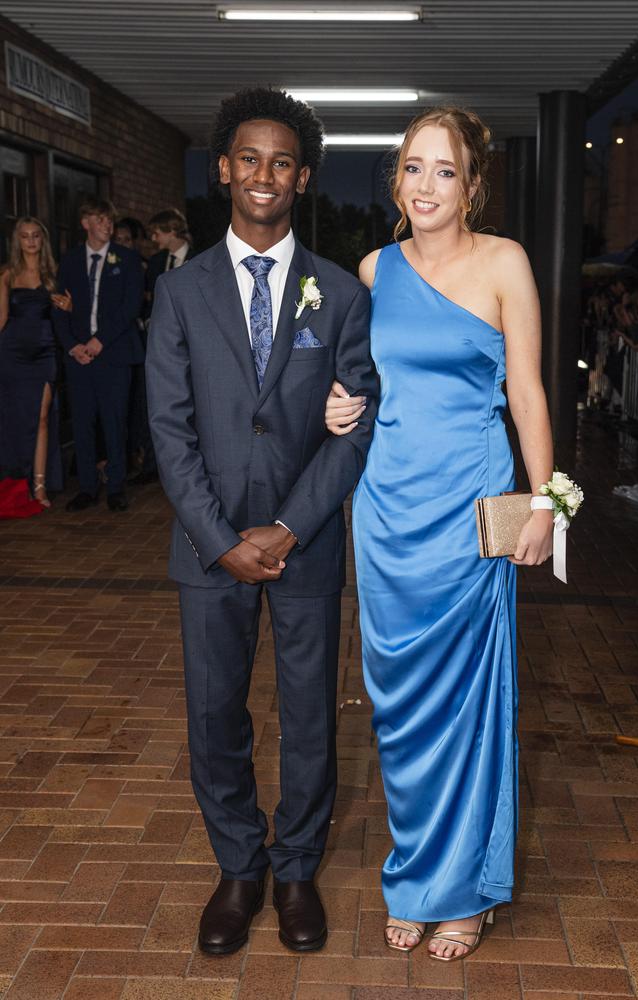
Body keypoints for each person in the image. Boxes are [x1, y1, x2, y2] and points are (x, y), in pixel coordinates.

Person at [146, 87, 378, 957]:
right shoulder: (180, 294)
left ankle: (298, 870)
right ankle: (239, 870)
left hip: (306, 541)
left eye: (282, 161)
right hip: (208, 549)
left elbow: (353, 435)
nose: (264, 175)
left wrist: (286, 527)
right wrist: (222, 539)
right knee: (216, 715)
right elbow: (168, 428)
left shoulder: (340, 299)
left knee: (310, 714)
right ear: (223, 170)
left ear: (303, 176)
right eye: (249, 158)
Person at [325, 106, 554, 961]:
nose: (426, 185)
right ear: (396, 182)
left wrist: (546, 500)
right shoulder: (373, 269)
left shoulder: (505, 263)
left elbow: (527, 391)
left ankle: (460, 889)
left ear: (472, 184)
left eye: (445, 171)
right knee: (398, 707)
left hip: (468, 506)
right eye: (414, 169)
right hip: (385, 511)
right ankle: (415, 872)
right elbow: (361, 388)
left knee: (466, 703)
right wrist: (339, 406)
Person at [53, 196, 144, 512]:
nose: (108, 226)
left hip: (113, 354)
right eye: (101, 220)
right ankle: (88, 488)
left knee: (114, 420)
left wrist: (99, 341)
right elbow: (59, 306)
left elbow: (130, 307)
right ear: (86, 223)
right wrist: (72, 345)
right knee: (82, 422)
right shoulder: (70, 261)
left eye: (110, 220)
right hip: (78, 357)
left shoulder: (128, 259)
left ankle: (116, 486)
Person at [0, 216, 69, 511]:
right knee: (15, 419)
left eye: (35, 236)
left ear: (43, 239)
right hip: (12, 353)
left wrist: (70, 307)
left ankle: (39, 486)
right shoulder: (6, 274)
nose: (30, 241)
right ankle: (17, 480)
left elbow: (68, 316)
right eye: (25, 236)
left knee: (42, 416)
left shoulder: (54, 274)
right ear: (17, 241)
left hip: (44, 353)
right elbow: (1, 320)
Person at [129, 209, 195, 487]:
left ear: (171, 231)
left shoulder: (201, 258)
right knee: (156, 402)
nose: (154, 238)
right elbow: (146, 301)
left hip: (194, 345)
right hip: (158, 344)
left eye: (157, 232)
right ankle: (153, 467)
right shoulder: (156, 263)